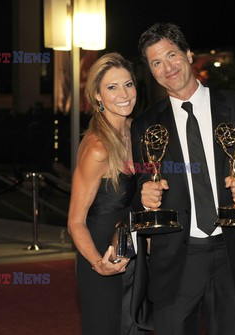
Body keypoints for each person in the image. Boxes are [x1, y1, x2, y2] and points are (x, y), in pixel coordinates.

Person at [131, 23, 235, 335]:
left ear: (188, 54)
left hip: (233, 252)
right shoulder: (145, 125)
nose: (167, 67)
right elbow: (141, 182)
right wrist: (144, 195)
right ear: (151, 71)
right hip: (175, 258)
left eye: (172, 55)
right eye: (156, 62)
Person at [67, 52, 146, 335]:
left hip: (133, 247)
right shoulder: (98, 149)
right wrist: (98, 264)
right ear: (98, 96)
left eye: (128, 84)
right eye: (112, 87)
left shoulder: (135, 130)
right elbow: (75, 220)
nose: (123, 94)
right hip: (102, 251)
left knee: (136, 327)